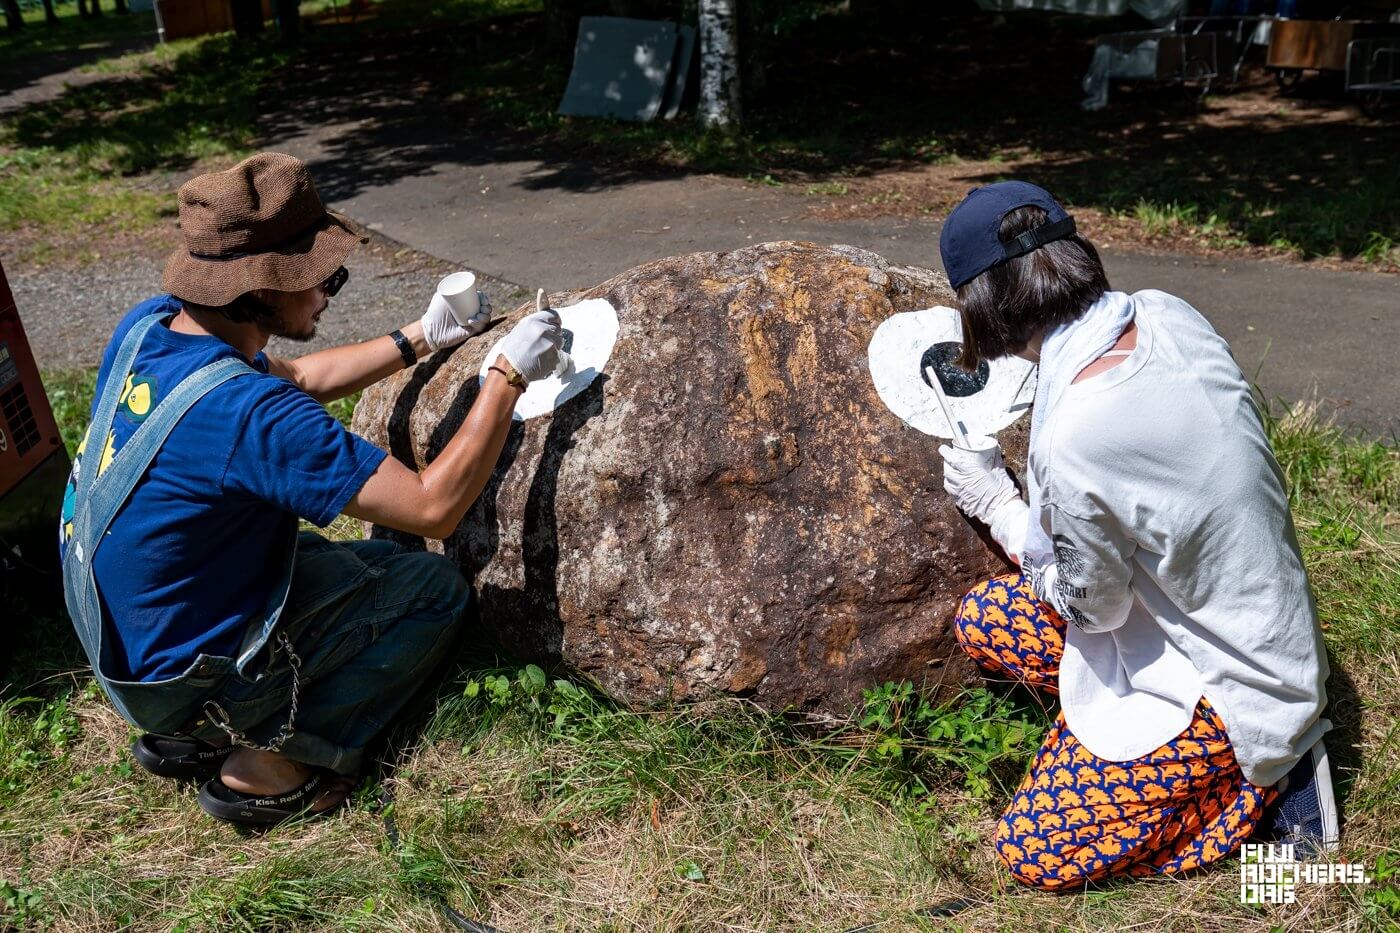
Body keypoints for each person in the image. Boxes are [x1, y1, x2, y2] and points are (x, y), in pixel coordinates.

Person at [60, 152, 564, 826]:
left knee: (376, 565)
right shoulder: (249, 416)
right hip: (183, 673)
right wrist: (506, 375)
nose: (329, 291)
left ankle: (191, 732)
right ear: (261, 289)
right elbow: (434, 507)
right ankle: (274, 760)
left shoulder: (152, 328)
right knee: (433, 591)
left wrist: (421, 335)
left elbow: (293, 378)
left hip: (123, 647)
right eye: (320, 277)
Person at [935, 181, 1335, 890]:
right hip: (1238, 617)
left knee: (1034, 850)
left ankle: (1267, 786)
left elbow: (1096, 611)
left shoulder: (1080, 434)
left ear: (983, 304)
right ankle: (1167, 769)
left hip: (1228, 677)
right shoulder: (1165, 312)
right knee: (984, 621)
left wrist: (997, 501)